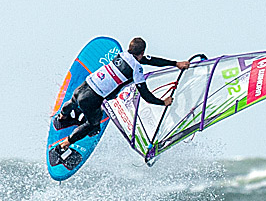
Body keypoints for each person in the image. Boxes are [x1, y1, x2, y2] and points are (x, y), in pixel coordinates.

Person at [53, 38, 189, 153]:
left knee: (73, 101)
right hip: (92, 98)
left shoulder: (123, 54)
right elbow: (146, 96)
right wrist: (163, 102)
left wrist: (175, 64)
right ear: (141, 53)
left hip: (86, 85)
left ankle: (62, 117)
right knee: (92, 124)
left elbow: (150, 60)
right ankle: (63, 146)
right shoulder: (137, 68)